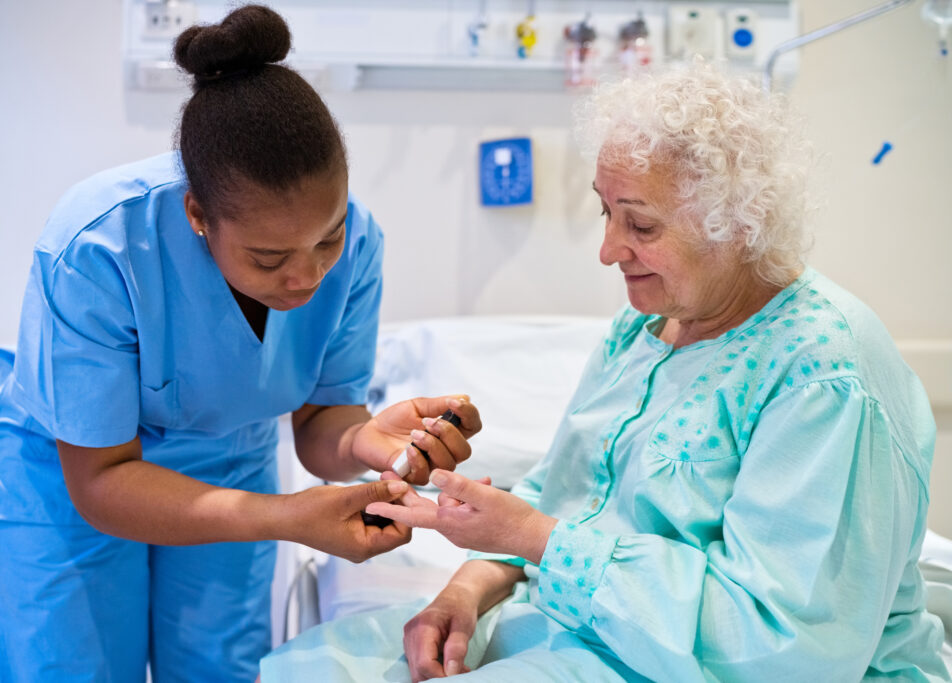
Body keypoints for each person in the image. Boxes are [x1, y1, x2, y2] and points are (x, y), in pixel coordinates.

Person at [259, 61, 951, 681]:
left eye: (640, 225)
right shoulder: (648, 327)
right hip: (578, 624)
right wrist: (464, 590)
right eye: (604, 211)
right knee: (306, 667)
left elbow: (788, 646)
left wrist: (533, 538)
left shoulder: (822, 379)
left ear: (739, 223)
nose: (608, 249)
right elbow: (564, 494)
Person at [0, 6, 480, 682]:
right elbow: (100, 480)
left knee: (218, 670)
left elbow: (321, 426)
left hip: (229, 463)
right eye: (269, 258)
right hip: (72, 488)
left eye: (325, 239)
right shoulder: (97, 246)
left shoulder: (358, 242)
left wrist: (369, 443)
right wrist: (285, 516)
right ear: (198, 218)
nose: (306, 276)